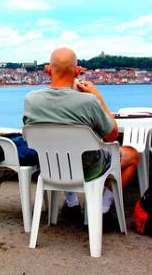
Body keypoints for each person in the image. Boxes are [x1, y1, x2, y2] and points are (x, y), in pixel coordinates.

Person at [23, 47, 140, 221]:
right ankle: (103, 207)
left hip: (51, 167)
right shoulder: (89, 102)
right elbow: (112, 135)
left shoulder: (30, 100)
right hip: (89, 169)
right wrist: (98, 96)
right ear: (77, 71)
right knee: (132, 155)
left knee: (59, 149)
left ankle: (71, 204)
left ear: (48, 69)